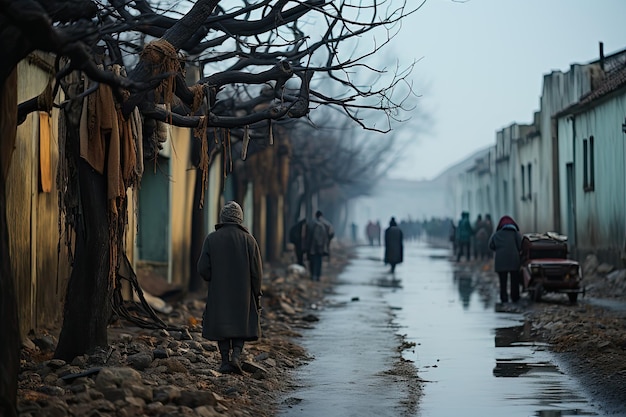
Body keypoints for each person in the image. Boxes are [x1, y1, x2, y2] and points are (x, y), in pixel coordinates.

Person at [197, 201, 263, 374]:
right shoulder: (249, 240)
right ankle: (236, 356)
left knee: (221, 323)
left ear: (223, 218)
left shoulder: (212, 238)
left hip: (219, 292)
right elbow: (256, 273)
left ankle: (225, 360)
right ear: (240, 219)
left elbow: (202, 268)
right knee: (241, 322)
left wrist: (213, 279)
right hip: (244, 292)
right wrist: (256, 292)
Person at [488, 215, 523, 304]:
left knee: (503, 281)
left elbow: (491, 246)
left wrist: (499, 250)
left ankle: (504, 298)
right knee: (514, 280)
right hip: (514, 260)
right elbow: (520, 246)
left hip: (501, 261)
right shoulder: (515, 234)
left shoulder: (496, 235)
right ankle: (515, 297)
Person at [306, 210, 334, 281]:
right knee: (319, 261)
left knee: (312, 261)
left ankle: (313, 275)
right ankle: (318, 276)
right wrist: (327, 242)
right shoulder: (326, 224)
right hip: (321, 247)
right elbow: (331, 233)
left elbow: (307, 235)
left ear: (315, 215)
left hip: (312, 247)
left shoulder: (311, 223)